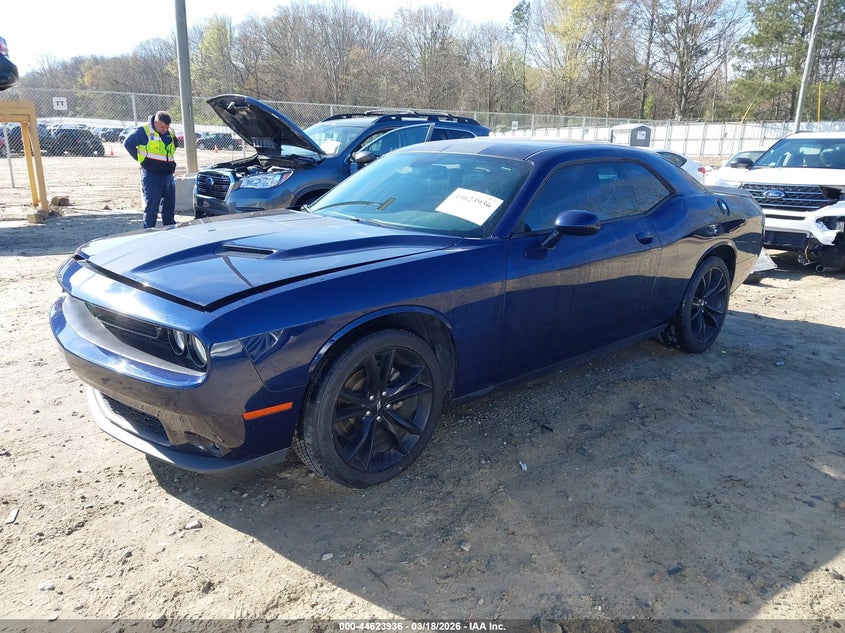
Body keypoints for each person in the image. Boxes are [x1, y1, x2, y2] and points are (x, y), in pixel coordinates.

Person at [123, 111, 177, 228]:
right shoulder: (143, 131)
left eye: (167, 127)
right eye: (162, 127)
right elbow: (128, 143)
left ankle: (170, 230)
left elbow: (173, 148)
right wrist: (142, 160)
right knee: (152, 207)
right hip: (152, 175)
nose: (165, 129)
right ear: (155, 122)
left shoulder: (170, 132)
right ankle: (149, 231)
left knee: (169, 206)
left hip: (168, 174)